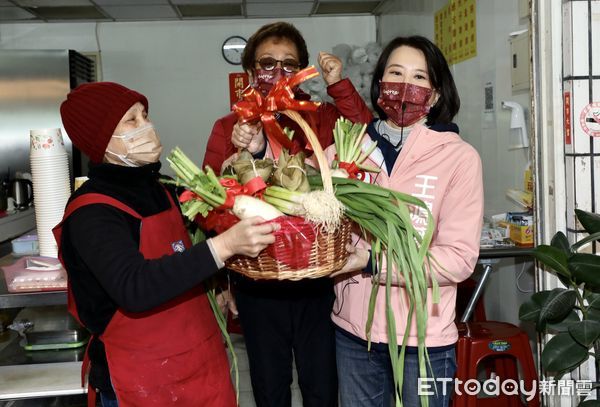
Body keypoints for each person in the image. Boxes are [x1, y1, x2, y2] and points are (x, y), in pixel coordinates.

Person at [54, 82, 279, 407]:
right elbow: (135, 287)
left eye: (145, 116)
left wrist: (217, 283)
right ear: (102, 140)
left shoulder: (164, 190)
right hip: (142, 381)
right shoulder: (92, 211)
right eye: (131, 121)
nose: (146, 126)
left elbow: (186, 256)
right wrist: (224, 248)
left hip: (201, 366)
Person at [203, 22, 372, 407]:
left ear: (301, 72)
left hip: (318, 277)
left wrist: (338, 83)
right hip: (257, 278)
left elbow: (364, 134)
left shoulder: (318, 117)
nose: (277, 73)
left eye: (289, 65)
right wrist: (222, 282)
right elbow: (208, 206)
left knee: (321, 385)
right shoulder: (229, 126)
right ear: (249, 72)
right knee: (269, 385)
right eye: (266, 64)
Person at [329, 36, 484, 407]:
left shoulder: (459, 159)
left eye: (419, 78)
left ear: (435, 94)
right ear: (380, 84)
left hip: (425, 340)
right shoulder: (345, 150)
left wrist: (373, 262)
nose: (405, 88)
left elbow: (459, 258)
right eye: (395, 74)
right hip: (355, 333)